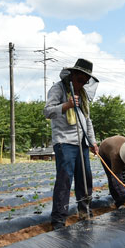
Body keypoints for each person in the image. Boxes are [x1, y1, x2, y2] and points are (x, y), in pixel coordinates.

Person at [44, 58, 100, 230]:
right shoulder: (58, 88)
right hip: (64, 142)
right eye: (79, 80)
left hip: (81, 142)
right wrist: (66, 105)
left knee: (85, 178)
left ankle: (84, 211)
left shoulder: (83, 95)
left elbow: (87, 120)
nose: (81, 84)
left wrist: (93, 141)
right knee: (65, 179)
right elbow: (47, 111)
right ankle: (59, 220)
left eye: (85, 82)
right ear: (73, 75)